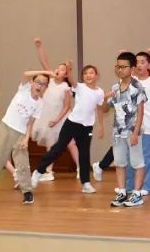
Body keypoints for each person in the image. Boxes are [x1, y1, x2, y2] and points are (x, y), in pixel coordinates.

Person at [32, 64, 105, 193]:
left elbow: (99, 108)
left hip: (87, 127)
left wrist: (101, 126)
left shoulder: (100, 92)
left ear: (96, 76)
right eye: (85, 73)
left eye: (91, 73)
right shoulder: (80, 87)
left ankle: (86, 183)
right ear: (82, 76)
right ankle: (38, 171)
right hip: (71, 123)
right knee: (58, 148)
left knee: (84, 154)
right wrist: (68, 68)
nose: (88, 75)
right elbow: (71, 79)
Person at [0, 70, 53, 205]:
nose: (40, 86)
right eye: (38, 82)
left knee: (22, 163)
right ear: (32, 83)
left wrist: (26, 138)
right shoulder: (24, 89)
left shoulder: (39, 103)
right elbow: (26, 74)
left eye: (44, 84)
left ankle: (27, 192)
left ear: (46, 88)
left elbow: (30, 122)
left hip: (21, 133)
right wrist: (45, 72)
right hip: (6, 128)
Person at [103, 51, 148, 208]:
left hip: (132, 131)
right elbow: (105, 109)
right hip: (118, 132)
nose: (120, 70)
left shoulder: (137, 87)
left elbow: (140, 113)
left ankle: (137, 194)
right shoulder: (115, 88)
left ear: (132, 68)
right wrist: (104, 98)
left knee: (137, 162)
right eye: (118, 67)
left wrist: (135, 133)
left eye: (123, 67)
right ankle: (122, 192)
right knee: (120, 162)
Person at [32, 38, 76, 180]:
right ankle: (49, 172)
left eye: (63, 69)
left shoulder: (65, 87)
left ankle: (81, 169)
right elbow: (44, 61)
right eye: (58, 68)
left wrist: (57, 120)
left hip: (61, 118)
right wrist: (39, 47)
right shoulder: (50, 81)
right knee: (50, 144)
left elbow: (67, 106)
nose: (58, 70)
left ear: (66, 74)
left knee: (71, 143)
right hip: (48, 117)